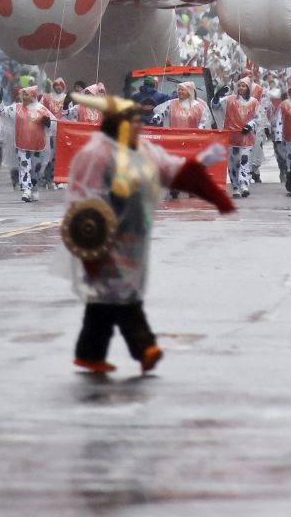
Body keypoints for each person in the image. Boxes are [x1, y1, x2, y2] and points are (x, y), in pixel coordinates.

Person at [64, 91, 234, 375]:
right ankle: (145, 349)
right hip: (106, 237)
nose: (138, 127)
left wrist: (207, 173)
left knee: (106, 298)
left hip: (134, 238)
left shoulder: (144, 150)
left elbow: (173, 170)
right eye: (132, 122)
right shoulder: (96, 154)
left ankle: (89, 352)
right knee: (121, 294)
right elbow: (82, 200)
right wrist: (94, 239)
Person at [221, 78, 264, 199]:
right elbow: (216, 106)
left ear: (248, 89)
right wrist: (216, 97)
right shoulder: (229, 100)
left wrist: (250, 126)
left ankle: (244, 186)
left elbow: (258, 118)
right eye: (239, 86)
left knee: (244, 162)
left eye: (243, 86)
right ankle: (235, 187)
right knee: (233, 164)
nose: (240, 88)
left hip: (246, 137)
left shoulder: (254, 102)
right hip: (232, 138)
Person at [11, 85, 54, 202]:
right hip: (22, 145)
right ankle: (26, 190)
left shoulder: (42, 109)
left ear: (33, 96)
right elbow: (3, 111)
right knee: (24, 166)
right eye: (23, 95)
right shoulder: (17, 108)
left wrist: (48, 123)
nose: (24, 97)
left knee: (35, 169)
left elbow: (54, 125)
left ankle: (34, 188)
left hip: (38, 146)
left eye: (26, 95)